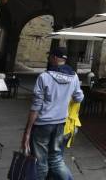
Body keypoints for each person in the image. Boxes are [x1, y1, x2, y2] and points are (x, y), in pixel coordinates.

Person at [21, 45, 84, 180]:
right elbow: (79, 97)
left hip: (43, 123)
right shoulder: (74, 77)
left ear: (54, 57)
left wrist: (27, 131)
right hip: (61, 122)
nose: (48, 58)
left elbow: (36, 106)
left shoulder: (44, 77)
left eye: (50, 56)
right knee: (56, 159)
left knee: (40, 160)